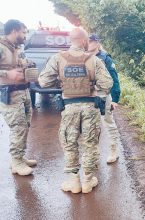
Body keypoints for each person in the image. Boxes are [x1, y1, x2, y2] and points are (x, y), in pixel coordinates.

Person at [38, 27, 112, 194]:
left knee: (70, 144)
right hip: (90, 107)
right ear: (85, 41)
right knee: (90, 144)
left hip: (69, 107)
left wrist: (61, 82)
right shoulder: (94, 60)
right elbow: (107, 83)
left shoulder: (58, 58)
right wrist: (96, 92)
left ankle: (74, 182)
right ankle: (87, 181)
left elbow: (43, 82)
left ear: (70, 41)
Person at [0, 19, 37, 176]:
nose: (24, 35)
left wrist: (29, 64)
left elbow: (20, 63)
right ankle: (16, 163)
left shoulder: (16, 48)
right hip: (9, 93)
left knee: (25, 125)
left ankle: (20, 157)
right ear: (14, 31)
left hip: (24, 92)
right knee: (18, 127)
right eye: (23, 32)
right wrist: (7, 73)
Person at [88, 34, 121, 164]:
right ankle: (94, 153)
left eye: (90, 42)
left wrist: (115, 99)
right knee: (91, 126)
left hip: (103, 95)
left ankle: (114, 151)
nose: (88, 44)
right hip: (89, 96)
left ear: (96, 43)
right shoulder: (83, 57)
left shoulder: (105, 58)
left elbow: (114, 79)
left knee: (108, 123)